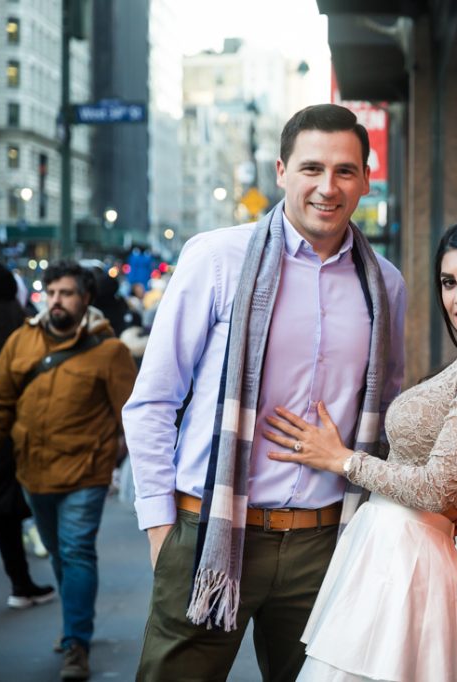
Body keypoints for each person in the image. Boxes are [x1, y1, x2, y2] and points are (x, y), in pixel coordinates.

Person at [123, 103, 406, 682]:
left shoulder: (387, 284)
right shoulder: (216, 258)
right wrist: (161, 528)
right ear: (281, 170)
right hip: (210, 534)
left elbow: (388, 414)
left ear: (366, 180)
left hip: (328, 543)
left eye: (345, 171)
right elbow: (153, 400)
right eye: (311, 168)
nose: (328, 187)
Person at [264, 217, 457, 681]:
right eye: (448, 281)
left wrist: (342, 459)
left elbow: (440, 487)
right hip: (395, 554)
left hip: (410, 561)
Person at [0, 260, 138, 680]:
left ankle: (76, 642)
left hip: (85, 475)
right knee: (58, 552)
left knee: (76, 552)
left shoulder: (110, 352)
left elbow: (132, 414)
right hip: (33, 472)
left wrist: (126, 465)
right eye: (51, 293)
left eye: (66, 293)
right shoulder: (22, 341)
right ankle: (76, 622)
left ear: (85, 299)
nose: (56, 301)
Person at [0, 262, 54, 609]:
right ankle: (21, 584)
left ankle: (22, 584)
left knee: (3, 512)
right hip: (9, 433)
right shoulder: (20, 328)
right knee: (6, 510)